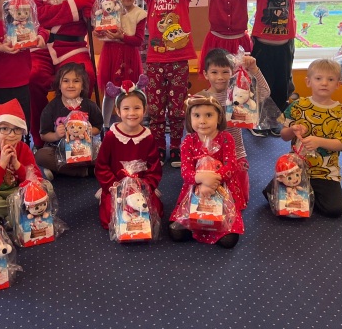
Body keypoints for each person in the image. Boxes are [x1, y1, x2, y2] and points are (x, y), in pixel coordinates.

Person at [24, 0, 96, 148]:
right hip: (41, 47)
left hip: (72, 46)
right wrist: (76, 5)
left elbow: (92, 13)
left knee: (86, 75)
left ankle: (80, 135)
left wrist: (90, 12)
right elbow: (40, 16)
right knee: (33, 77)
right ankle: (41, 136)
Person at [137, 0, 195, 167]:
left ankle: (177, 147)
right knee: (156, 108)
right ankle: (160, 146)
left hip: (179, 60)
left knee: (177, 108)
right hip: (155, 61)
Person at [275, 59, 342, 217]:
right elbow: (283, 136)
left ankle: (306, 197)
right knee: (270, 195)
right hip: (294, 169)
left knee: (335, 210)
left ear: (338, 84)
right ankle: (304, 196)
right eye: (318, 78)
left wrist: (319, 142)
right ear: (308, 81)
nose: (324, 83)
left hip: (325, 173)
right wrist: (292, 129)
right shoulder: (297, 106)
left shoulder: (341, 111)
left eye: (330, 79)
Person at [168, 93, 245, 248]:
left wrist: (212, 181)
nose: (202, 121)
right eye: (196, 115)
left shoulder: (226, 138)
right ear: (189, 118)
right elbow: (186, 172)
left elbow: (231, 166)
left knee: (229, 241)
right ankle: (198, 225)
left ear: (219, 117)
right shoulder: (189, 141)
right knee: (175, 233)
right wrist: (202, 180)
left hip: (222, 188)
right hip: (195, 189)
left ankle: (209, 226)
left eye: (208, 115)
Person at [250, 0, 307, 135]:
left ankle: (276, 121)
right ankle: (259, 121)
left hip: (284, 48)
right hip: (263, 47)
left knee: (281, 86)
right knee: (262, 85)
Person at [203, 48, 270, 207]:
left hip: (235, 154)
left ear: (232, 73)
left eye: (225, 72)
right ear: (206, 74)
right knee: (208, 198)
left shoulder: (238, 93)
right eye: (214, 72)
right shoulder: (201, 98)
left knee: (238, 201)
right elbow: (191, 131)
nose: (220, 77)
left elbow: (265, 93)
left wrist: (254, 69)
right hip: (209, 154)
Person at [94, 78, 163, 230]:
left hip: (140, 186)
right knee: (111, 215)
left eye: (137, 108)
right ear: (118, 111)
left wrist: (147, 186)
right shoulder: (111, 136)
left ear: (144, 110)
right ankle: (104, 193)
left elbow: (154, 167)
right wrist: (114, 186)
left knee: (154, 211)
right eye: (126, 109)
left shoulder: (148, 137)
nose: (132, 113)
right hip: (116, 185)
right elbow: (102, 165)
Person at [94, 0, 147, 129]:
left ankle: (134, 123)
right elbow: (103, 31)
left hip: (129, 56)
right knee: (110, 92)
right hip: (111, 55)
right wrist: (99, 32)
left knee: (131, 90)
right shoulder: (109, 10)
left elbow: (138, 40)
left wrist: (122, 36)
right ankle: (104, 125)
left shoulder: (139, 14)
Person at [35, 63, 103, 178]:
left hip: (84, 148)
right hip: (59, 150)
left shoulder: (89, 105)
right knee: (40, 156)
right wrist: (56, 135)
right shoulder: (51, 108)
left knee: (105, 151)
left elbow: (98, 127)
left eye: (76, 81)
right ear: (59, 85)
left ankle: (60, 170)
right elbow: (44, 135)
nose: (71, 85)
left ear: (82, 85)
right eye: (66, 81)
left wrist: (89, 131)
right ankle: (85, 171)